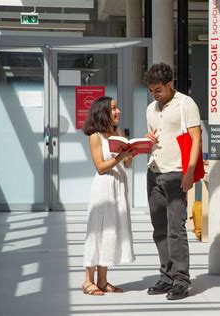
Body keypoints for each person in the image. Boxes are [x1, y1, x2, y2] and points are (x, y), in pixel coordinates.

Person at [144, 63, 201, 300]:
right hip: (154, 171)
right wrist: (147, 140)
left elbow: (196, 139)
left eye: (158, 90)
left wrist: (189, 173)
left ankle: (181, 280)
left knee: (176, 228)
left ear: (170, 85)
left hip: (177, 173)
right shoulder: (150, 109)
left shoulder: (185, 104)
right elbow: (156, 139)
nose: (154, 95)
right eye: (151, 91)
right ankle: (166, 275)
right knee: (159, 229)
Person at [81, 96, 137, 296]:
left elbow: (127, 164)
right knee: (98, 231)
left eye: (117, 107)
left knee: (111, 232)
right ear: (103, 111)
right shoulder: (95, 136)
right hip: (103, 189)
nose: (118, 111)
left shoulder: (118, 132)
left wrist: (130, 154)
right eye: (113, 108)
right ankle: (88, 281)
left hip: (119, 187)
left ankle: (103, 280)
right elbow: (100, 168)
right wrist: (120, 157)